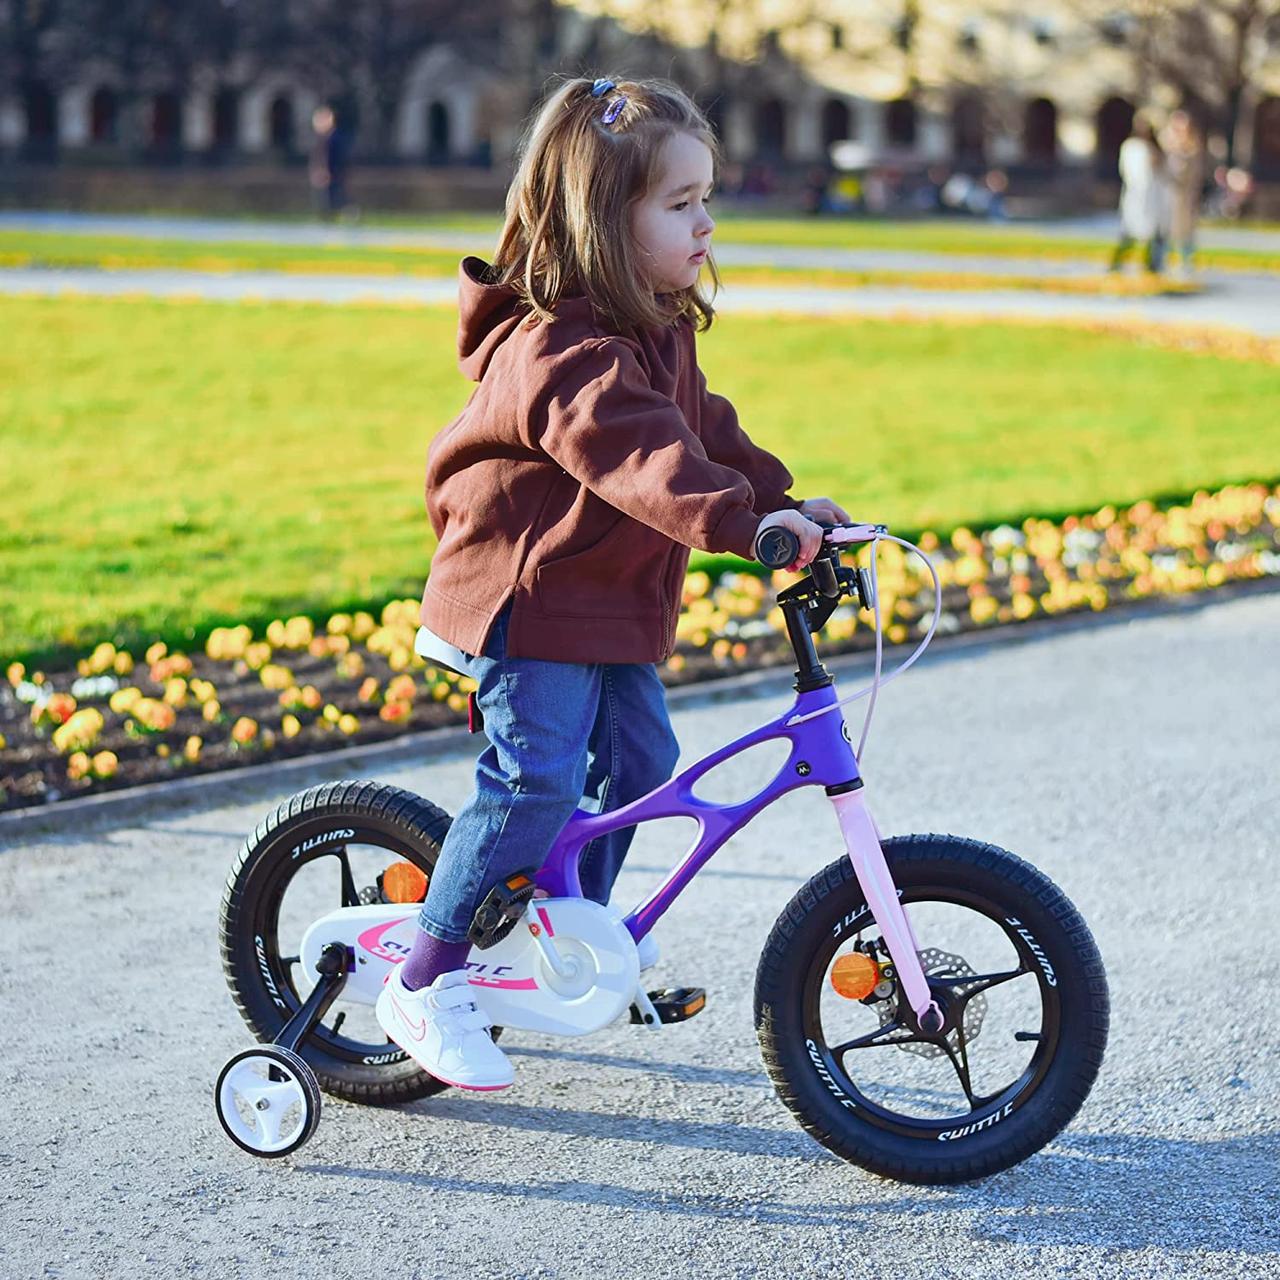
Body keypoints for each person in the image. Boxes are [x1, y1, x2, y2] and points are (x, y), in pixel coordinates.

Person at [375, 74, 849, 1090]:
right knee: (534, 780)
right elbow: (640, 455)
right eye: (679, 206)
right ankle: (422, 976)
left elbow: (700, 430)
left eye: (704, 200)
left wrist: (786, 503)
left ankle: (565, 936)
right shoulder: (561, 349)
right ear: (602, 217)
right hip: (527, 596)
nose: (707, 225)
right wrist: (735, 522)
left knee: (642, 769)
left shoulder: (655, 329)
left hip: (601, 601)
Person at [1109, 114, 1167, 274]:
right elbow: (1131, 173)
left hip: (1153, 198)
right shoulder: (1131, 147)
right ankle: (1117, 264)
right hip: (1136, 196)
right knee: (1130, 232)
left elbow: (1161, 172)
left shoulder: (1154, 148)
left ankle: (1152, 265)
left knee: (1155, 233)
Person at [1162, 110, 1204, 278]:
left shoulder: (1193, 149)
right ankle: (1160, 263)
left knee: (1185, 232)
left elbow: (1194, 175)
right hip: (1166, 196)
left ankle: (1186, 264)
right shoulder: (1164, 145)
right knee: (1165, 231)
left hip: (1184, 197)